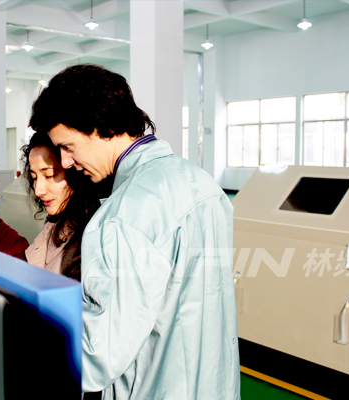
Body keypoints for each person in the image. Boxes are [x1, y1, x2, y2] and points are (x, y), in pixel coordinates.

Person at [30, 64, 240, 399]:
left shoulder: (123, 214)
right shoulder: (201, 183)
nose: (66, 162)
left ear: (102, 126)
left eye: (68, 147)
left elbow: (97, 356)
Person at [21, 131, 100, 280]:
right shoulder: (55, 222)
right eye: (34, 177)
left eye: (50, 175)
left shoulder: (89, 237)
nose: (38, 190)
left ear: (75, 172)